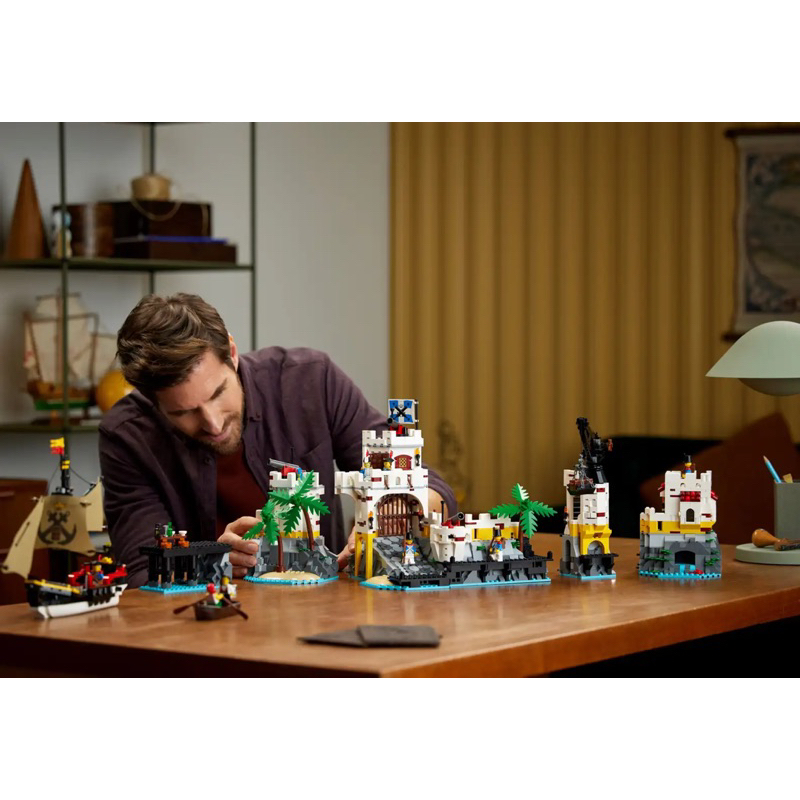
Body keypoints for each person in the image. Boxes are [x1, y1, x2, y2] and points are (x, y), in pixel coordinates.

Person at [99, 293, 455, 588]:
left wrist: (396, 514)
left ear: (232, 353)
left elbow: (432, 488)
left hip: (323, 611)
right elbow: (142, 572)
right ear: (153, 402)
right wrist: (212, 562)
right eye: (184, 412)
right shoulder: (128, 436)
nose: (213, 422)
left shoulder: (312, 382)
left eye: (218, 393)